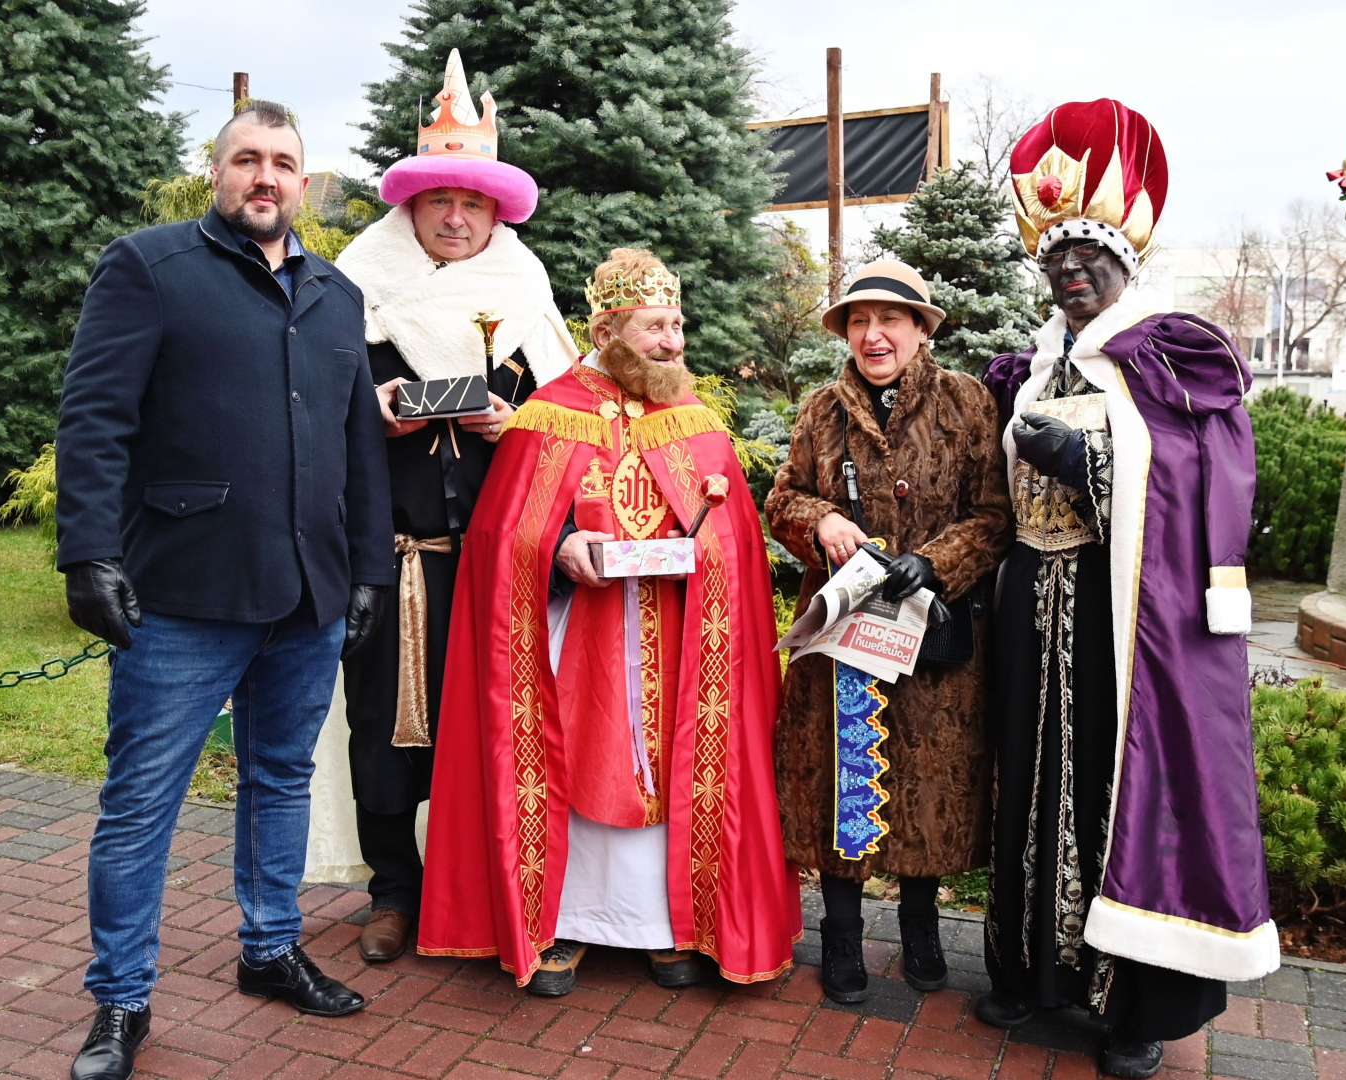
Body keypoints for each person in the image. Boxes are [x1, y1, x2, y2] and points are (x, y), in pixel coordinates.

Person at [53, 100, 393, 1080]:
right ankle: (121, 999)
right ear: (217, 171)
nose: (265, 176)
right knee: (141, 803)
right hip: (184, 591)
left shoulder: (336, 293)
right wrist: (88, 553)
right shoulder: (149, 267)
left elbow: (358, 445)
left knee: (280, 778)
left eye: (283, 162)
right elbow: (94, 417)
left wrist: (368, 568)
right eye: (247, 158)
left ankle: (270, 948)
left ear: (303, 182)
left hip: (308, 596)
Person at [979, 99, 1279, 1079]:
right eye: (1056, 259)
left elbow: (1206, 476)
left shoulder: (1168, 354)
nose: (1070, 272)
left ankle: (1134, 1011)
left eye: (1088, 257)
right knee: (1030, 782)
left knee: (1128, 791)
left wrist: (1090, 461)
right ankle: (1034, 974)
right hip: (1035, 608)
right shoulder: (1032, 368)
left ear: (1123, 264)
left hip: (1129, 623)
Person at [415, 249, 799, 995]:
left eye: (677, 325)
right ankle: (565, 923)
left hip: (678, 634)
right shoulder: (548, 412)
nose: (673, 342)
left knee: (673, 768)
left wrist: (700, 551)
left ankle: (667, 927)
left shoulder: (692, 417)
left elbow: (735, 540)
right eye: (655, 327)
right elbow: (503, 532)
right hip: (576, 639)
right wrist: (559, 546)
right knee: (575, 762)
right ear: (606, 330)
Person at [301, 49, 577, 964]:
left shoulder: (528, 303)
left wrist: (519, 425)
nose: (456, 218)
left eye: (473, 204)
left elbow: (577, 434)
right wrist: (365, 413)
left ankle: (487, 885)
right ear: (410, 206)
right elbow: (301, 414)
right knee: (385, 729)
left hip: (502, 564)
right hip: (392, 557)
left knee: (495, 728)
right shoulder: (346, 294)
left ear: (497, 214)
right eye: (439, 201)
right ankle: (394, 891)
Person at [764, 261, 1012, 1002]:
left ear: (920, 329)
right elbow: (782, 499)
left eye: (890, 319)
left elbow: (994, 515)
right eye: (859, 321)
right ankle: (841, 936)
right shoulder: (822, 409)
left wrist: (933, 563)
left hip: (932, 635)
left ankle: (920, 928)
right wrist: (821, 520)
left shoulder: (967, 403)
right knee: (843, 780)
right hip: (843, 636)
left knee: (928, 783)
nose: (873, 335)